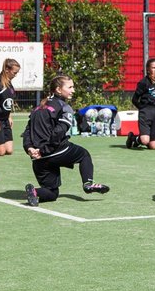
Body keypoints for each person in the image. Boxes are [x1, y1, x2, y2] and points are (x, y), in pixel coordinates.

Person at [21, 74, 111, 206]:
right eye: (70, 87)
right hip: (54, 151)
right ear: (58, 89)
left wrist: (29, 148)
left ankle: (34, 191)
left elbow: (27, 132)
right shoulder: (64, 107)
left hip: (38, 158)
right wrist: (44, 150)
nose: (73, 90)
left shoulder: (38, 107)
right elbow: (58, 132)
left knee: (52, 193)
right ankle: (88, 184)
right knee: (83, 154)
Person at [128, 57, 155, 150]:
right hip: (145, 113)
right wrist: (142, 108)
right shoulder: (143, 82)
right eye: (153, 68)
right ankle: (132, 138)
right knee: (144, 141)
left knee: (153, 146)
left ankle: (140, 140)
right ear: (148, 69)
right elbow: (134, 99)